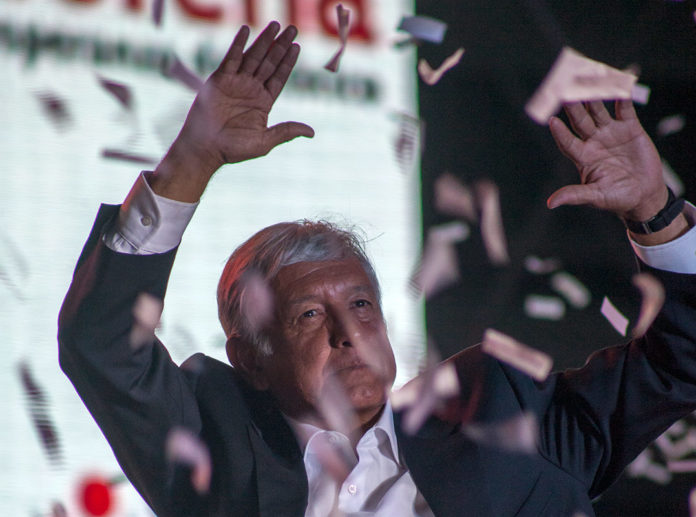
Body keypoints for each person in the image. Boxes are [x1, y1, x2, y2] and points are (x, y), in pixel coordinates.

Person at [58, 21, 696, 517]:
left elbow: (681, 361)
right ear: (250, 359)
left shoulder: (499, 416)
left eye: (361, 305)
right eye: (310, 314)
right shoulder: (214, 448)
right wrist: (192, 160)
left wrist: (655, 212)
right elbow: (102, 343)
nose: (348, 334)